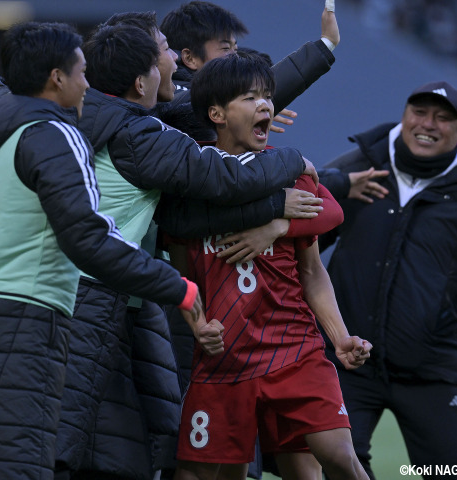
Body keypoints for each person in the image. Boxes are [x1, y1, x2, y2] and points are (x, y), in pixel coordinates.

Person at [0, 21, 206, 480]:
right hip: (23, 317)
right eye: (81, 72)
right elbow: (87, 236)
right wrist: (176, 287)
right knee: (20, 465)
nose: (89, 84)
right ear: (56, 79)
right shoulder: (55, 134)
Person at [53, 21, 321, 480]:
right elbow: (226, 177)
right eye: (164, 51)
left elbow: (181, 213)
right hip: (99, 294)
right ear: (141, 81)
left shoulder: (99, 122)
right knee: (71, 437)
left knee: (141, 438)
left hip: (128, 300)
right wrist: (291, 169)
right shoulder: (139, 135)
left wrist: (274, 220)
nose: (174, 61)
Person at [169, 51, 372, 480]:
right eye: (249, 97)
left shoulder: (290, 173)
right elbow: (186, 274)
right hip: (225, 359)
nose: (265, 105)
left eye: (267, 97)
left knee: (336, 457)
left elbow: (313, 272)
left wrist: (339, 338)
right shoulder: (190, 181)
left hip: (293, 349)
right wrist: (197, 323)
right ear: (216, 113)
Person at [319, 81, 457, 479]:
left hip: (432, 366)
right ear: (404, 117)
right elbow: (307, 225)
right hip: (348, 358)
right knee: (334, 461)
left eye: (442, 118)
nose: (428, 124)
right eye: (419, 113)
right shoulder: (361, 167)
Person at [157, 0, 340, 140]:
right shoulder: (174, 98)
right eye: (225, 48)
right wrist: (325, 44)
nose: (234, 56)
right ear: (190, 58)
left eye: (235, 49)